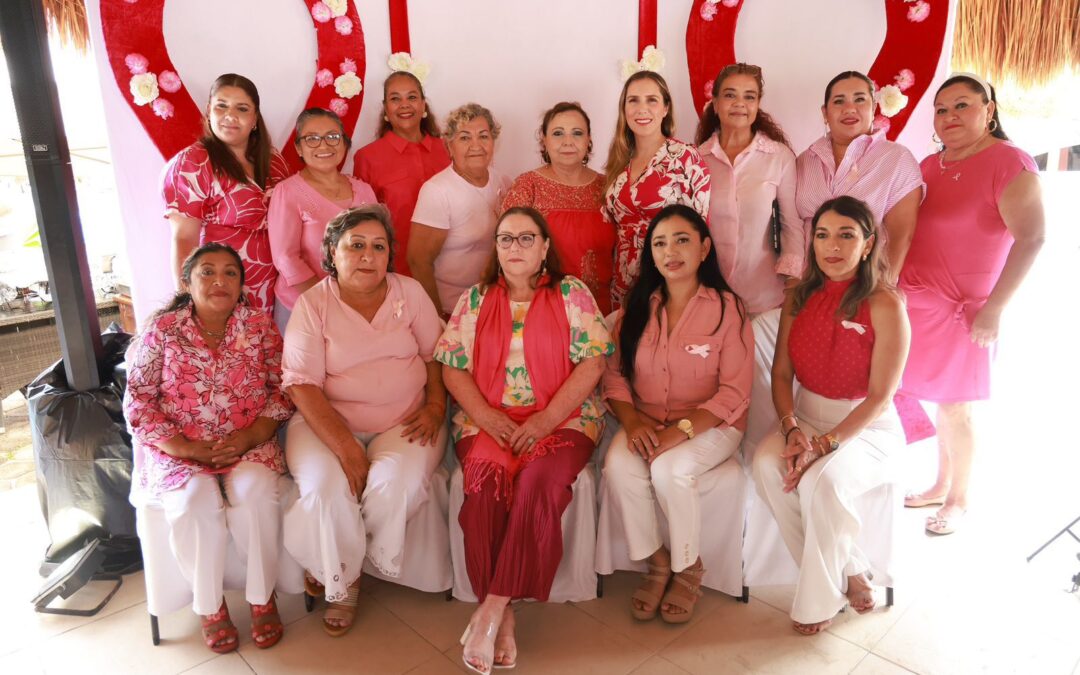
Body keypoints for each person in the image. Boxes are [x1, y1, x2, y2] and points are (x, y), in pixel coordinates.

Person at [436, 207, 612, 673]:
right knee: (486, 484)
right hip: (486, 420)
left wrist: (545, 420)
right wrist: (488, 417)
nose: (515, 247)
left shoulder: (572, 293)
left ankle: (491, 606)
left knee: (539, 482)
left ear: (545, 247)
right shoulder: (474, 299)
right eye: (506, 239)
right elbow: (452, 366)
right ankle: (506, 613)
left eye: (526, 238)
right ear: (495, 247)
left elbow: (593, 362)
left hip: (565, 418)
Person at [281, 205, 448, 636]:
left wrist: (434, 408)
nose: (367, 256)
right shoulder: (312, 304)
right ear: (332, 253)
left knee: (398, 485)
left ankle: (338, 563)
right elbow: (302, 385)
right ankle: (345, 580)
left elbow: (437, 356)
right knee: (325, 489)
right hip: (325, 423)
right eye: (355, 246)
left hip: (407, 419)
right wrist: (346, 447)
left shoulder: (409, 292)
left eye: (378, 247)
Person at [123, 243, 293, 653]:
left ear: (241, 283)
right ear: (187, 282)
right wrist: (185, 448)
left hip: (249, 443)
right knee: (194, 503)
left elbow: (282, 388)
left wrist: (250, 437)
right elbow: (138, 399)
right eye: (207, 272)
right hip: (181, 451)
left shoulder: (260, 326)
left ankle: (261, 597)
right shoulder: (162, 331)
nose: (220, 281)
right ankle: (210, 606)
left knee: (254, 497)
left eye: (230, 273)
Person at [753, 196, 910, 635]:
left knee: (823, 480)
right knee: (767, 464)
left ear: (867, 244)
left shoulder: (885, 304)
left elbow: (880, 397)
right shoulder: (798, 298)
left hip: (867, 428)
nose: (832, 246)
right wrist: (791, 430)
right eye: (822, 235)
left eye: (846, 235)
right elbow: (781, 374)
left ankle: (817, 602)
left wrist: (824, 446)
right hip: (804, 417)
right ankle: (852, 569)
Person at [899, 73, 1044, 535]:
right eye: (942, 110)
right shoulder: (927, 166)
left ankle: (958, 498)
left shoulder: (1009, 162)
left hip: (967, 312)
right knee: (931, 398)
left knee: (956, 406)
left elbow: (1033, 238)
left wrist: (996, 308)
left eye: (962, 106)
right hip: (918, 306)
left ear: (989, 110)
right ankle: (939, 483)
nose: (950, 117)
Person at [603, 204, 753, 624]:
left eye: (682, 239)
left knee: (669, 470)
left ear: (704, 248)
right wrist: (632, 423)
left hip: (713, 424)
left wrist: (680, 432)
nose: (671, 251)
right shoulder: (636, 308)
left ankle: (690, 567)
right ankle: (657, 561)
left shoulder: (728, 308)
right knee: (617, 465)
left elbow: (735, 391)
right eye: (660, 243)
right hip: (647, 420)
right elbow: (614, 377)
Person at [695, 62, 802, 454]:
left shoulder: (778, 158)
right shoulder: (696, 158)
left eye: (749, 96)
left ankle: (760, 486)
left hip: (763, 302)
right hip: (709, 302)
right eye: (730, 94)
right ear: (715, 103)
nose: (739, 103)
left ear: (758, 105)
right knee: (713, 397)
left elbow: (792, 227)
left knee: (760, 399)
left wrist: (791, 289)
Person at [163, 73, 291, 312]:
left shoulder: (273, 160)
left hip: (277, 287)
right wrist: (189, 304)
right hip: (222, 289)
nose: (230, 116)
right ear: (209, 110)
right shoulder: (194, 162)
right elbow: (183, 239)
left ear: (254, 118)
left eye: (242, 108)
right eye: (222, 106)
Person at [795, 71, 923, 279]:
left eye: (860, 99)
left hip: (864, 286)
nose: (849, 108)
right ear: (825, 113)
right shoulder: (805, 160)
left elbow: (901, 237)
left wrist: (882, 290)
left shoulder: (897, 159)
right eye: (839, 101)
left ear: (873, 108)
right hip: (807, 282)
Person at [603, 71, 711, 310]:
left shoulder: (685, 157)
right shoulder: (619, 162)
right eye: (633, 100)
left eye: (652, 100)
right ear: (624, 109)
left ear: (665, 109)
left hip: (669, 282)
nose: (642, 109)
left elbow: (700, 228)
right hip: (623, 285)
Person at [268, 108, 377, 330]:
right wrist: (330, 300)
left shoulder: (364, 191)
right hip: (303, 306)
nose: (324, 145)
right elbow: (285, 258)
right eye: (312, 139)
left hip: (358, 305)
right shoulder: (287, 191)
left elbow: (377, 247)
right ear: (298, 147)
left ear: (344, 143)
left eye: (333, 137)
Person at [502, 102, 615, 314]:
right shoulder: (528, 186)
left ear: (589, 140)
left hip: (602, 310)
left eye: (577, 133)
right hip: (544, 309)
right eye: (558, 133)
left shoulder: (608, 187)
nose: (568, 142)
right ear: (544, 140)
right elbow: (507, 253)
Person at [409, 103, 512, 318]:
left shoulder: (502, 181)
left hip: (495, 304)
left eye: (483, 136)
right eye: (465, 138)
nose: (476, 145)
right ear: (449, 146)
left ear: (493, 142)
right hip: (452, 309)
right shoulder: (437, 191)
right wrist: (437, 318)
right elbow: (418, 261)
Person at [352, 71, 451, 276]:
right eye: (395, 98)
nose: (404, 104)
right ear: (386, 109)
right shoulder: (368, 157)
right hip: (398, 271)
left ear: (424, 105)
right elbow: (364, 224)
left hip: (453, 267)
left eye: (412, 97)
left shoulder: (448, 149)